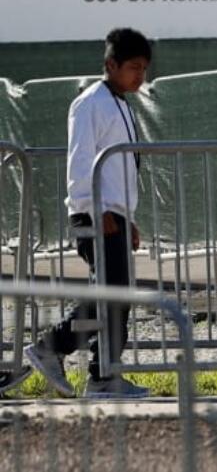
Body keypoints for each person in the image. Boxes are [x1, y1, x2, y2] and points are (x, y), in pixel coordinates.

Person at [24, 28, 152, 399]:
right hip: (93, 215)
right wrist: (96, 211)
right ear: (110, 65)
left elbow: (121, 169)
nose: (139, 76)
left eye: (144, 68)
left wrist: (128, 218)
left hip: (115, 215)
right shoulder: (90, 103)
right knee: (109, 295)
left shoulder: (123, 104)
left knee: (117, 297)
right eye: (133, 67)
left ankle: (103, 378)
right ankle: (52, 347)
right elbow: (81, 163)